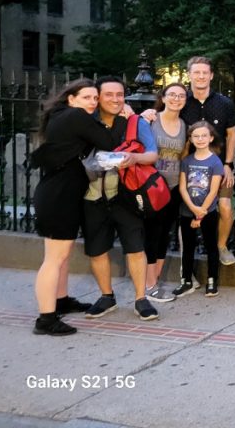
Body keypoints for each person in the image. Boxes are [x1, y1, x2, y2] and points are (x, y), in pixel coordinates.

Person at [30, 79, 117, 335]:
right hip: (59, 196)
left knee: (63, 256)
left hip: (60, 193)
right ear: (71, 99)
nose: (92, 102)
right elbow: (108, 141)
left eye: (94, 98)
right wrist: (114, 116)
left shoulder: (62, 116)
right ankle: (45, 319)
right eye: (86, 97)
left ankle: (61, 300)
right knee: (54, 259)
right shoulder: (76, 116)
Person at [144, 57, 235, 266]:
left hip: (218, 167)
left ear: (211, 75)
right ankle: (186, 265)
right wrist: (148, 113)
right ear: (190, 75)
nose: (201, 76)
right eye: (196, 72)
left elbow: (232, 135)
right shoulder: (182, 101)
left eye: (205, 72)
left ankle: (221, 246)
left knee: (224, 207)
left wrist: (229, 164)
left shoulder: (225, 103)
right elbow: (165, 117)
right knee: (184, 215)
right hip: (187, 168)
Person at [82, 77, 160, 321]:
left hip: (126, 195)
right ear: (98, 97)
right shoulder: (85, 122)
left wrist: (133, 158)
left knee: (135, 248)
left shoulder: (134, 122)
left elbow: (152, 154)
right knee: (96, 250)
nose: (115, 99)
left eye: (120, 94)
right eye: (109, 95)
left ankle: (140, 298)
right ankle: (107, 296)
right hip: (92, 195)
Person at [144, 83, 188, 302]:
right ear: (163, 97)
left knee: (164, 235)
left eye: (181, 96)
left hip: (172, 188)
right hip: (151, 186)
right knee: (151, 234)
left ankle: (155, 281)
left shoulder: (184, 126)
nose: (176, 99)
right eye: (172, 95)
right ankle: (149, 285)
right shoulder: (151, 120)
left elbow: (183, 157)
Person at [174, 122, 224, 297]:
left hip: (207, 212)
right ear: (191, 139)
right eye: (196, 136)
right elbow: (182, 187)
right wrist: (193, 208)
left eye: (204, 136)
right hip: (188, 211)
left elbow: (213, 190)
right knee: (187, 246)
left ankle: (212, 280)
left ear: (211, 138)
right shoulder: (187, 161)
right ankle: (186, 280)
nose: (200, 139)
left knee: (211, 245)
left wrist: (201, 211)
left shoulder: (215, 162)